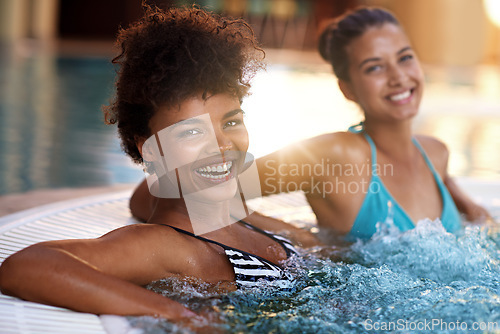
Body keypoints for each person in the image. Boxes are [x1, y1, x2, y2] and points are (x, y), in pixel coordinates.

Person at [0, 5, 318, 324]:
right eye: (193, 131)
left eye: (231, 122)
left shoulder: (232, 215)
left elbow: (143, 193)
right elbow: (26, 266)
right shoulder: (168, 246)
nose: (222, 145)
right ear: (149, 149)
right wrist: (179, 315)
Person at [255, 7, 491, 238]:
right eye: (375, 67)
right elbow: (222, 193)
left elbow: (483, 222)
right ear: (347, 89)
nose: (398, 77)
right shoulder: (333, 157)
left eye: (405, 58)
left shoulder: (435, 154)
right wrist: (305, 242)